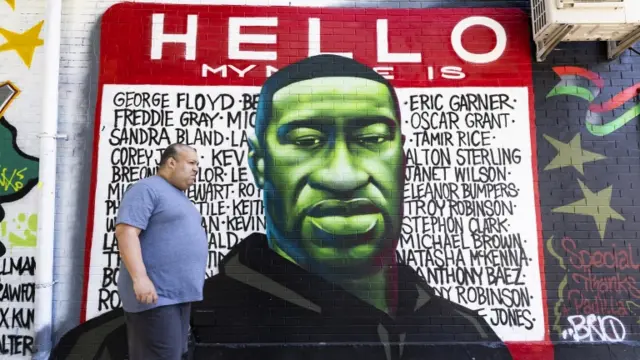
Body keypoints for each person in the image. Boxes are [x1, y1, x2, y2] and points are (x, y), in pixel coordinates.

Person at [50, 57, 513, 360]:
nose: (343, 175)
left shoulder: (468, 335)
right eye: (307, 142)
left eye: (372, 139)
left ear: (403, 161)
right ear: (259, 164)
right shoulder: (114, 347)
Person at [115, 143, 207, 360]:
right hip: (156, 297)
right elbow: (126, 232)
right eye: (191, 163)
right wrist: (140, 279)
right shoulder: (146, 189)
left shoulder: (177, 196)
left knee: (174, 355)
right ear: (171, 162)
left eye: (198, 164)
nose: (196, 169)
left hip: (177, 297)